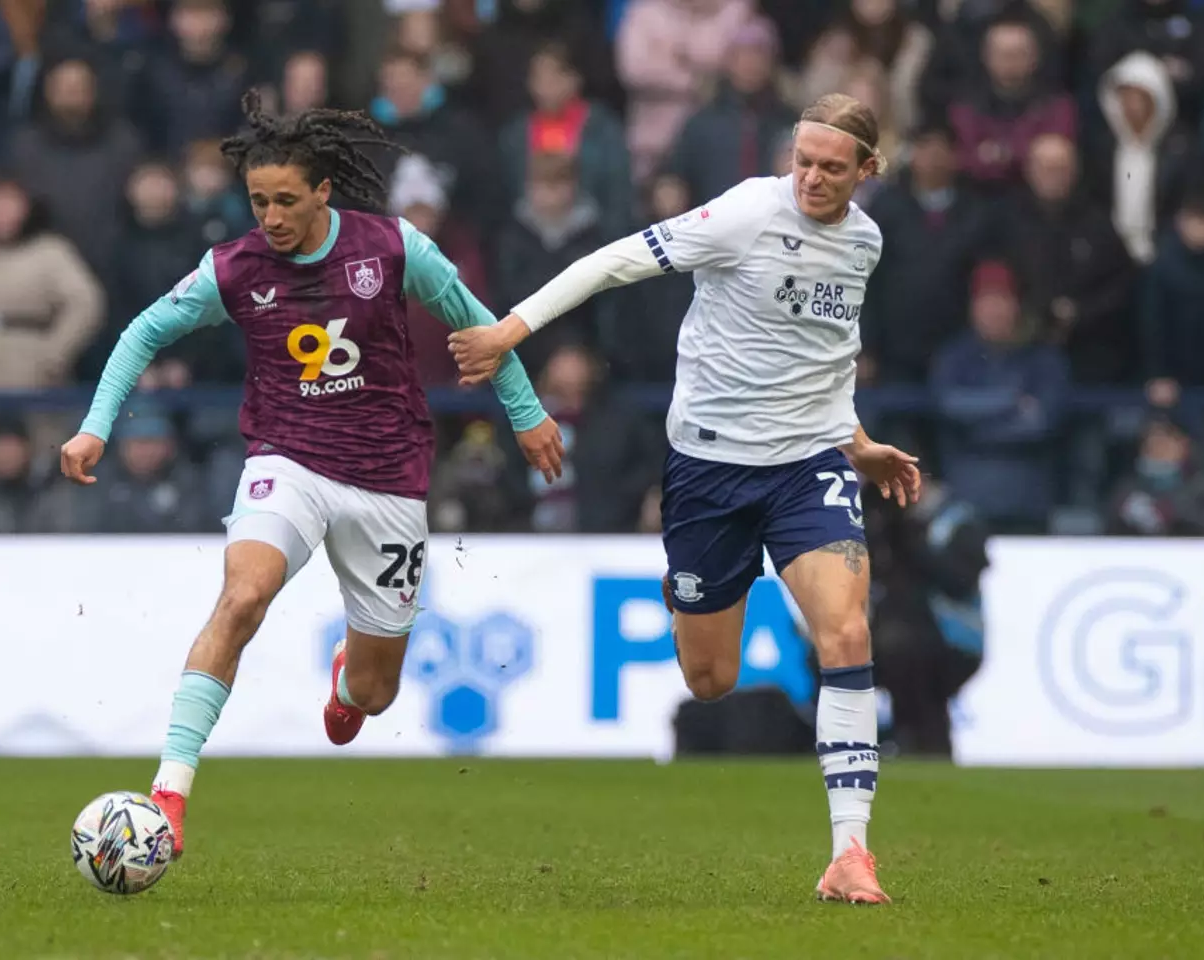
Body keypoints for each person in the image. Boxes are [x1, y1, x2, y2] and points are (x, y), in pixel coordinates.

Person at [59, 91, 564, 859]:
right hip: (286, 461)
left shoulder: (396, 249)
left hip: (389, 480)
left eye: (286, 200)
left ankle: (345, 684)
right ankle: (169, 792)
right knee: (243, 595)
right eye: (258, 200)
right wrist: (96, 428)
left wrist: (526, 415)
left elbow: (481, 327)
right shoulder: (232, 269)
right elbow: (142, 331)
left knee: (375, 691)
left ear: (324, 191)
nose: (270, 216)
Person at [450, 93, 922, 905]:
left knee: (845, 631)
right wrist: (508, 331)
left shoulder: (865, 244)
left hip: (806, 465)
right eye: (802, 160)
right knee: (710, 678)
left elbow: (825, 358)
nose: (810, 177)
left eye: (831, 167)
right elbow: (612, 261)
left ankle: (851, 853)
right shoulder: (744, 212)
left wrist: (856, 441)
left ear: (867, 172)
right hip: (707, 469)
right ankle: (690, 595)